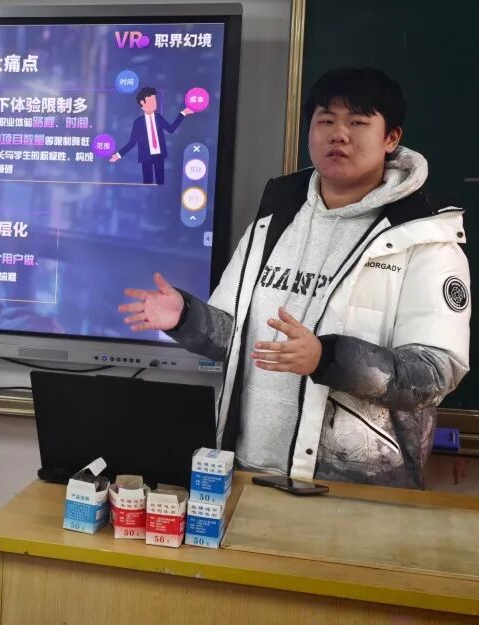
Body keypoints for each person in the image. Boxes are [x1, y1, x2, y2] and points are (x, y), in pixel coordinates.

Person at [120, 67, 470, 488]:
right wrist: (185, 316)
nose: (339, 135)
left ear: (391, 138)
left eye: (358, 123)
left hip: (356, 487)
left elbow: (435, 373)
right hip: (249, 471)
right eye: (326, 121)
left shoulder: (424, 238)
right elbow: (237, 341)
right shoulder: (277, 217)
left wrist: (327, 358)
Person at [109, 86, 193, 184]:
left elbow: (171, 129)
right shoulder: (138, 122)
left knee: (160, 182)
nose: (154, 104)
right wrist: (118, 155)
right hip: (146, 157)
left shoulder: (158, 118)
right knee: (147, 182)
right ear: (142, 103)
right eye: (151, 101)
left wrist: (183, 113)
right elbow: (132, 143)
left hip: (159, 156)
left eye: (154, 101)